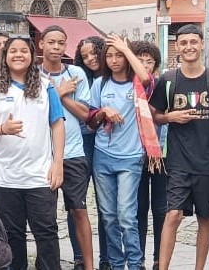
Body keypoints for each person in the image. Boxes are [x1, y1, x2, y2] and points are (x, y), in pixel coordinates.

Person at [0, 35, 65, 270]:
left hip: (40, 175)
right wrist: (3, 128)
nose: (18, 55)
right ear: (4, 56)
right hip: (5, 175)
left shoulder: (46, 86)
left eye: (23, 50)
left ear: (32, 55)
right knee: (11, 234)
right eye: (12, 51)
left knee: (46, 231)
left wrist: (58, 164)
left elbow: (57, 124)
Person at [149, 24, 209, 270]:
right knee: (173, 215)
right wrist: (171, 118)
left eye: (193, 42)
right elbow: (155, 115)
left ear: (202, 44)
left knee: (206, 217)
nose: (189, 47)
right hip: (178, 161)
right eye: (184, 43)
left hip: (208, 160)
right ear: (177, 46)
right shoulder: (168, 80)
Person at [88, 35, 158, 270]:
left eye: (118, 55)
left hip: (131, 157)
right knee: (108, 216)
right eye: (109, 56)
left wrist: (126, 49)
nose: (114, 60)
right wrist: (103, 111)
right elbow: (91, 120)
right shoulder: (100, 84)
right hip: (103, 156)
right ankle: (117, 264)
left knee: (127, 216)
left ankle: (135, 264)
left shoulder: (136, 84)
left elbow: (147, 77)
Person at [39, 26, 94, 270]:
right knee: (44, 217)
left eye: (60, 43)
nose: (56, 48)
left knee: (79, 211)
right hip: (42, 155)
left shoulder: (76, 73)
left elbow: (85, 114)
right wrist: (59, 91)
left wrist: (61, 96)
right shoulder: (33, 75)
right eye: (51, 42)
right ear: (41, 44)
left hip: (73, 154)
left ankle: (88, 264)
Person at [130, 40, 167, 270]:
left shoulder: (159, 85)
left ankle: (158, 259)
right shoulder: (128, 86)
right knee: (139, 208)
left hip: (160, 153)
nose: (144, 65)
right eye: (139, 60)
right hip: (135, 154)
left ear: (155, 66)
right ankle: (139, 257)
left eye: (149, 61)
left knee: (161, 209)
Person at [73, 34, 107, 269]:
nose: (90, 59)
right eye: (84, 56)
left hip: (106, 144)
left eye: (94, 53)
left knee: (105, 205)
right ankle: (78, 257)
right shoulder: (78, 77)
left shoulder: (112, 77)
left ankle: (106, 258)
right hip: (82, 141)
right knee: (76, 202)